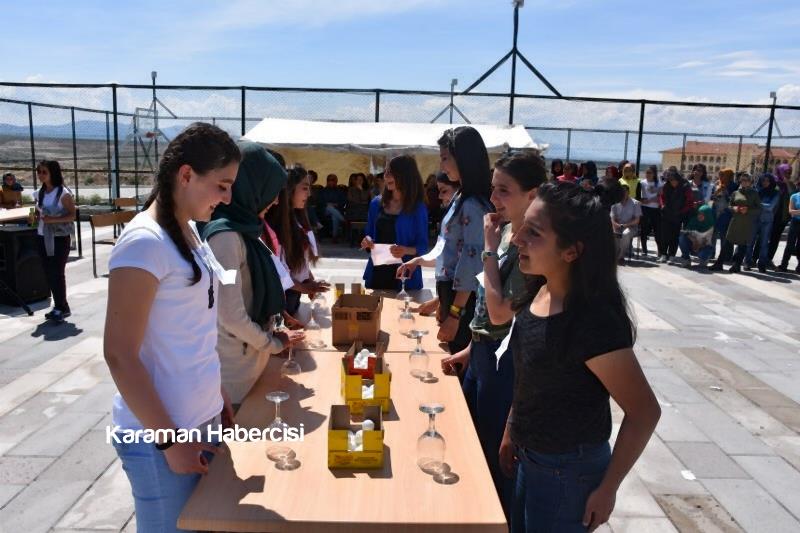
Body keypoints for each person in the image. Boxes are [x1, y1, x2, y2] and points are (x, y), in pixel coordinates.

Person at [501, 181, 660, 532]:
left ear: (571, 251)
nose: (516, 239)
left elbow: (645, 412)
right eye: (522, 226)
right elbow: (530, 375)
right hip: (531, 460)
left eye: (534, 232)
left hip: (566, 474)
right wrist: (513, 428)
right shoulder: (539, 291)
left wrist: (608, 488)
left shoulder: (591, 322)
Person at [104, 123, 240, 532]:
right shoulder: (144, 242)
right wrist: (169, 440)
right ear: (185, 175)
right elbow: (119, 354)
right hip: (158, 439)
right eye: (222, 184)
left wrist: (215, 395)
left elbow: (190, 329)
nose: (228, 197)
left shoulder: (188, 231)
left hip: (200, 422)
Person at [442, 150, 546, 516]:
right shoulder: (504, 234)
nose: (494, 199)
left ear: (532, 196)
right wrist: (471, 347)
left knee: (493, 455)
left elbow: (502, 312)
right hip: (484, 355)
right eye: (493, 189)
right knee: (469, 443)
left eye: (504, 191)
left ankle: (491, 519)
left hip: (506, 366)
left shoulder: (530, 246)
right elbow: (488, 307)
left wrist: (487, 249)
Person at [201, 142, 305, 406]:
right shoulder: (225, 238)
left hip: (251, 366)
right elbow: (230, 315)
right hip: (235, 378)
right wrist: (273, 343)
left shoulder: (244, 231)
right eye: (272, 191)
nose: (276, 200)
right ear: (252, 187)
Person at [398, 126, 493, 354]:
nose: (441, 166)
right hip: (450, 295)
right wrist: (418, 261)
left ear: (463, 159)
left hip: (462, 301)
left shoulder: (472, 205)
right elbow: (448, 249)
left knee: (455, 359)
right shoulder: (461, 197)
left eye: (445, 158)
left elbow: (471, 265)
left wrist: (454, 313)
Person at [266, 166, 330, 322]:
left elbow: (300, 261)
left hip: (293, 297)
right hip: (282, 301)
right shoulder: (277, 225)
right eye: (305, 188)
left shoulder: (298, 219)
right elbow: (277, 270)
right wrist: (304, 287)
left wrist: (309, 280)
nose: (309, 194)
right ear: (289, 189)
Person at [360, 155, 428, 290]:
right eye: (385, 172)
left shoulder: (418, 208)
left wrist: (405, 250)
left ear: (405, 175)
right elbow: (369, 234)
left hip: (404, 276)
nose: (386, 176)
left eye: (391, 172)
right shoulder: (376, 203)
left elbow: (423, 246)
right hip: (377, 274)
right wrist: (367, 241)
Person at [35, 160, 76, 322]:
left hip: (59, 238)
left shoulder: (63, 194)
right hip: (42, 236)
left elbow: (72, 215)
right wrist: (36, 217)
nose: (40, 175)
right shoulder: (40, 192)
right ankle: (59, 305)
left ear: (53, 173)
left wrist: (52, 220)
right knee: (48, 272)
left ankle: (61, 307)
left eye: (44, 172)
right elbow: (39, 211)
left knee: (56, 273)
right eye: (39, 172)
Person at [710, 173, 761, 273]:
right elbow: (729, 205)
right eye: (742, 180)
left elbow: (759, 209)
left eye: (747, 180)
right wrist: (733, 208)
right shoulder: (736, 192)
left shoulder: (754, 194)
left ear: (750, 182)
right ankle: (719, 263)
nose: (744, 182)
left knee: (742, 244)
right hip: (735, 221)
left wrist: (748, 210)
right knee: (727, 242)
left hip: (746, 222)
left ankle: (736, 265)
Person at [658, 168, 694, 264]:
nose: (672, 183)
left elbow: (690, 202)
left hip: (678, 215)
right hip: (666, 214)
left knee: (674, 236)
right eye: (670, 181)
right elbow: (661, 197)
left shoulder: (685, 186)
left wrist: (682, 211)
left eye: (673, 181)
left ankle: (672, 256)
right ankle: (663, 254)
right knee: (664, 235)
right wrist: (662, 205)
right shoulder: (666, 186)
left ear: (678, 179)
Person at [747, 173, 780, 273]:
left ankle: (761, 264)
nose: (765, 182)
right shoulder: (757, 191)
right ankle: (747, 262)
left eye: (767, 181)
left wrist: (757, 204)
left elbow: (770, 207)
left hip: (767, 221)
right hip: (755, 219)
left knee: (764, 244)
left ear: (771, 182)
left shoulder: (775, 193)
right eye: (763, 180)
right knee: (750, 242)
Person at [767, 164, 794, 265]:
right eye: (786, 172)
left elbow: (793, 195)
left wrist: (787, 183)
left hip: (782, 217)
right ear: (780, 171)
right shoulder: (773, 182)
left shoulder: (790, 185)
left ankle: (768, 258)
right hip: (770, 215)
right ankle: (756, 257)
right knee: (763, 237)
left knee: (775, 238)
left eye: (789, 172)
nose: (788, 174)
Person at [711, 168, 738, 262]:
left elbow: (733, 200)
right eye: (720, 174)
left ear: (729, 176)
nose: (720, 177)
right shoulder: (716, 184)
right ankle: (711, 253)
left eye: (723, 175)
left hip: (726, 213)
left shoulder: (734, 186)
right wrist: (715, 194)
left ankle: (725, 256)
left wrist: (725, 191)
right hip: (715, 211)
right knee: (713, 233)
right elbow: (712, 197)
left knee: (725, 235)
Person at [677, 203, 716, 269]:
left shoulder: (711, 225)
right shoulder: (694, 220)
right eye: (699, 213)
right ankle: (686, 259)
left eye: (702, 214)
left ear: (707, 215)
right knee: (682, 237)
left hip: (704, 245)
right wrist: (694, 241)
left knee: (706, 251)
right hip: (694, 243)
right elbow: (686, 232)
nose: (699, 216)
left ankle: (704, 260)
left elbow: (708, 241)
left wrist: (698, 244)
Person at [610, 184, 641, 264]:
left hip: (631, 227)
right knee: (613, 233)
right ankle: (614, 255)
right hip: (617, 226)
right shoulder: (614, 203)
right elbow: (612, 218)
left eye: (625, 191)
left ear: (629, 192)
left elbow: (637, 220)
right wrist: (615, 226)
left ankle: (620, 256)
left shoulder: (636, 203)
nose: (623, 193)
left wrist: (625, 225)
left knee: (625, 233)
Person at [639, 165, 663, 257]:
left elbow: (660, 196)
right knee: (644, 230)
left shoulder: (659, 183)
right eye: (647, 172)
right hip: (644, 209)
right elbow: (639, 196)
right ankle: (644, 250)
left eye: (650, 173)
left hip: (656, 209)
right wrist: (643, 200)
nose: (648, 174)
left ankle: (660, 251)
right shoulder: (642, 183)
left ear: (654, 174)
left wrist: (651, 200)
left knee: (657, 231)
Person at [777, 184, 800, 272]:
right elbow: (791, 211)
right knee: (790, 244)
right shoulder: (794, 196)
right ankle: (784, 265)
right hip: (795, 222)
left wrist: (797, 212)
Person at [320, 173, 347, 241]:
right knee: (329, 208)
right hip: (325, 210)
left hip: (337, 209)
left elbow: (343, 201)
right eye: (330, 180)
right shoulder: (323, 191)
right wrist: (327, 204)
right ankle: (343, 220)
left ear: (336, 181)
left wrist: (336, 205)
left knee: (334, 216)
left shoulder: (340, 191)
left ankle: (334, 236)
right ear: (327, 181)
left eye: (333, 180)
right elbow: (320, 202)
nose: (331, 182)